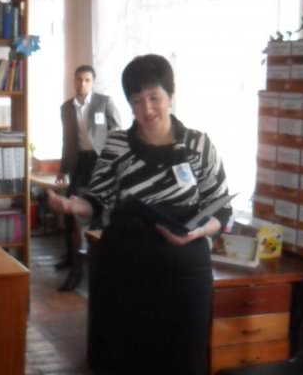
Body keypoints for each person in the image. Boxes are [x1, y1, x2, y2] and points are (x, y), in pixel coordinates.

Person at [48, 54, 231, 374]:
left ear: (170, 96)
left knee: (182, 360)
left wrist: (199, 231)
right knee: (124, 360)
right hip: (124, 271)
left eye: (154, 98)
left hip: (184, 274)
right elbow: (99, 200)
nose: (146, 109)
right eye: (137, 100)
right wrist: (75, 205)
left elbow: (221, 208)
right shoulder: (118, 144)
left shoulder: (198, 145)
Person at [55, 65, 120, 292]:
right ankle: (70, 260)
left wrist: (115, 164)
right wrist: (63, 168)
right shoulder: (66, 108)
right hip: (79, 163)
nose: (82, 84)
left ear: (92, 82)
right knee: (70, 211)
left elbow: (117, 133)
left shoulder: (104, 102)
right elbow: (67, 140)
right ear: (73, 81)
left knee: (99, 214)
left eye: (86, 80)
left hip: (100, 163)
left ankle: (90, 267)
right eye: (78, 80)